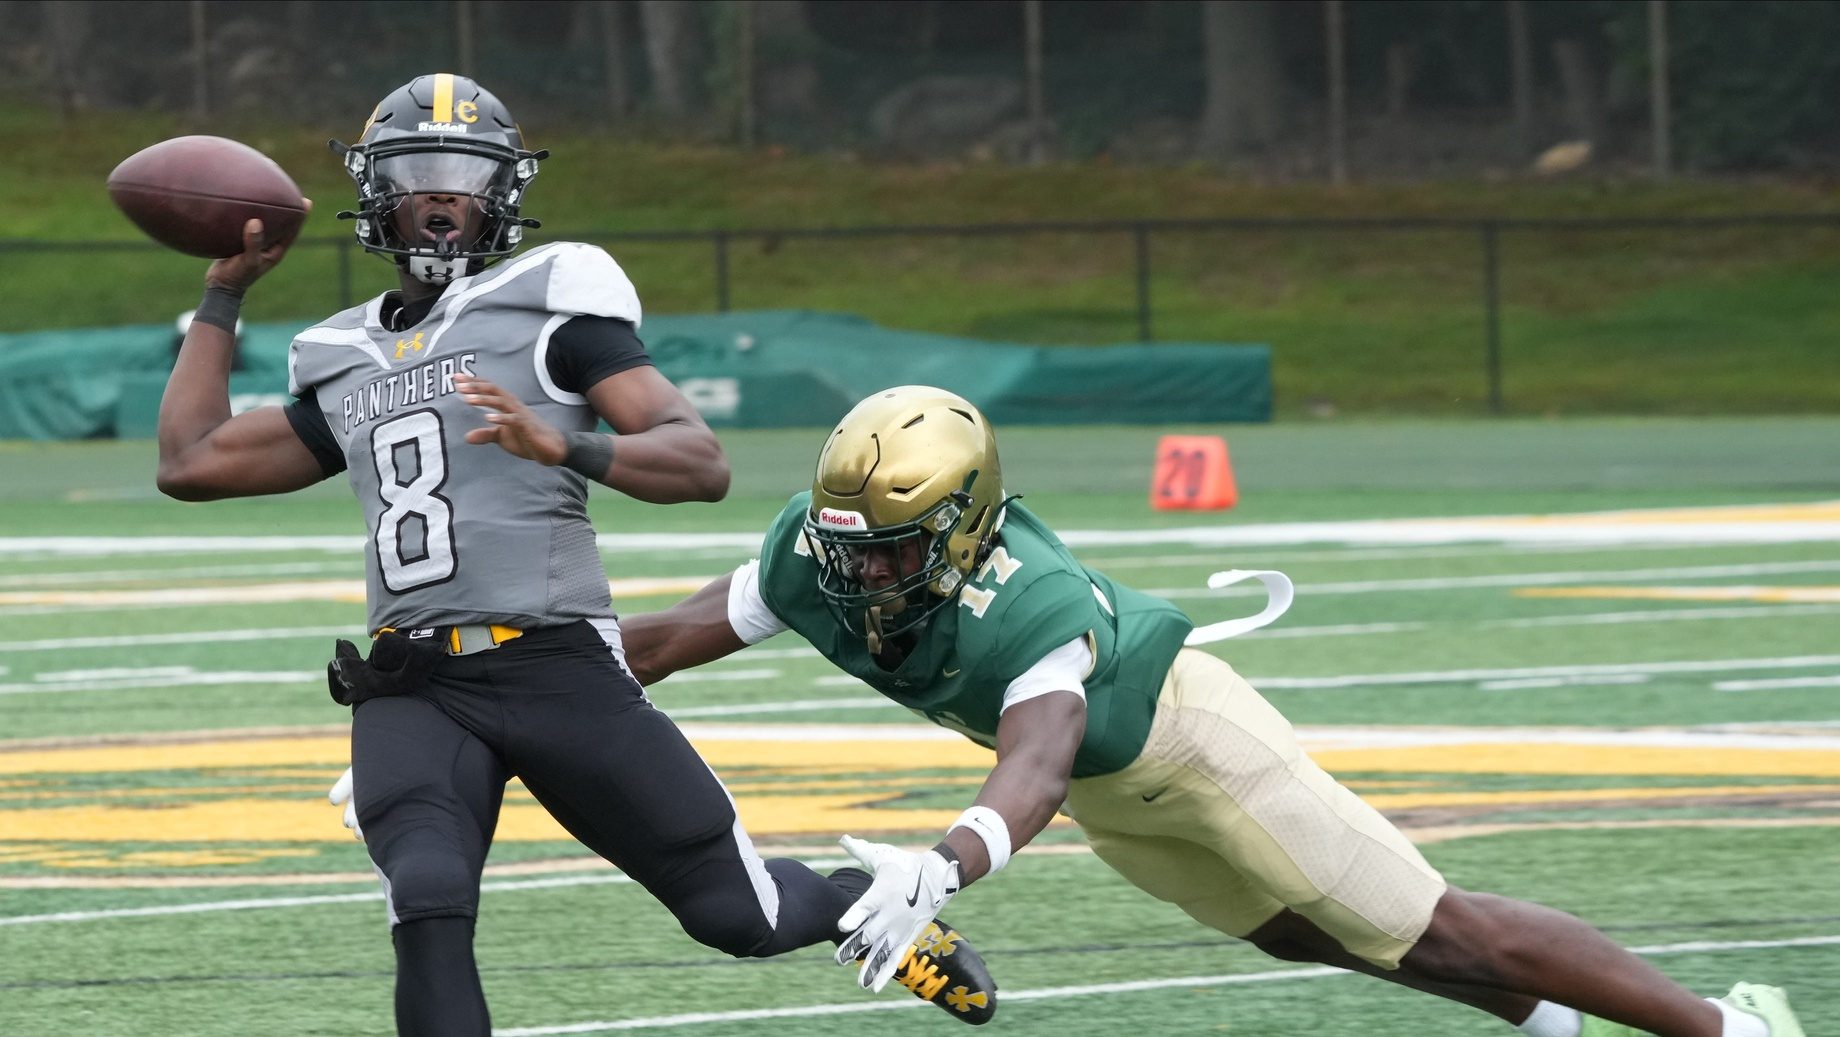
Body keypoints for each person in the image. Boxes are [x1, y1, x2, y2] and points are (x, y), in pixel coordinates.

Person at [155, 74, 995, 1036]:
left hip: (556, 661)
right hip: (414, 682)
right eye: (416, 172)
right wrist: (221, 294)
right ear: (375, 192)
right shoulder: (341, 356)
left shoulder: (551, 310)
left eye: (462, 175)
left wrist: (567, 443)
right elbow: (190, 463)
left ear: (502, 196)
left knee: (737, 916)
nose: (439, 194)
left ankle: (851, 897)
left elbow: (697, 461)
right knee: (426, 899)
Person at [620, 384, 1808, 1037]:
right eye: (846, 547)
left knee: (1443, 926)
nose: (856, 575)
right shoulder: (815, 553)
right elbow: (661, 642)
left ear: (964, 525)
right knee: (1293, 930)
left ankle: (1726, 1030)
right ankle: (1551, 1024)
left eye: (889, 551)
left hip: (1189, 739)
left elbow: (1031, 768)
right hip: (1112, 785)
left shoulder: (1025, 595)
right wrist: (503, 667)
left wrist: (939, 868)